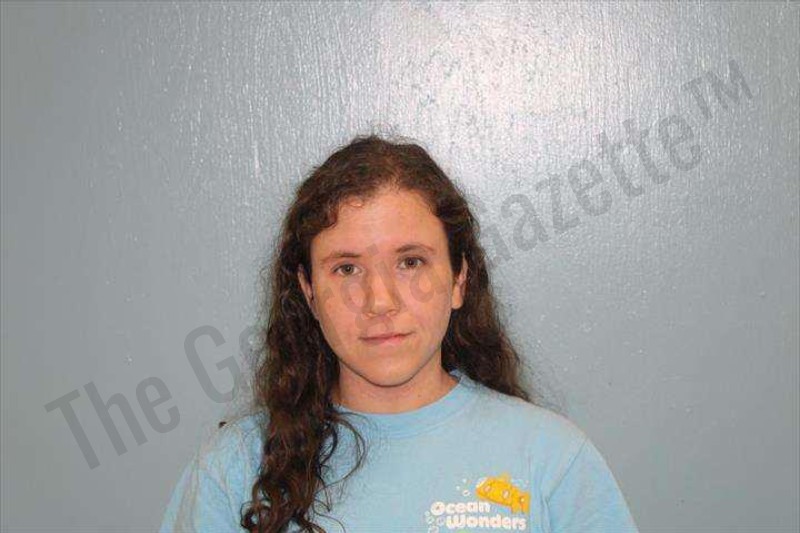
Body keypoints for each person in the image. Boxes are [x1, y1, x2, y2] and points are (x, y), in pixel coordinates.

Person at [159, 134, 639, 532]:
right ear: (309, 292)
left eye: (411, 262)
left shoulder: (552, 461)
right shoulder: (234, 470)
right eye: (346, 269)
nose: (380, 301)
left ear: (459, 279)